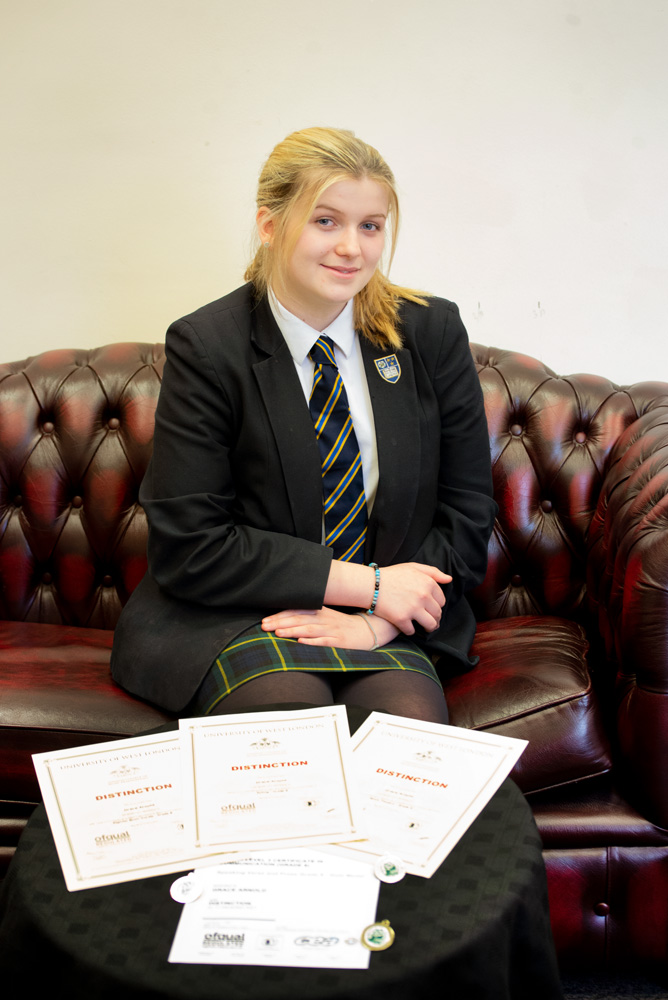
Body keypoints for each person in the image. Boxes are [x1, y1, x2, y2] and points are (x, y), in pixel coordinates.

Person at [110, 127, 497, 725]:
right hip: (242, 616)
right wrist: (367, 585)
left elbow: (468, 512)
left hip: (390, 622)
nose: (352, 248)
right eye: (326, 221)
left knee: (401, 751)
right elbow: (191, 544)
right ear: (270, 225)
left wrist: (378, 618)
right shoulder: (209, 346)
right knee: (286, 738)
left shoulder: (429, 332)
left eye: (370, 225)